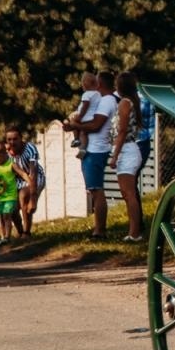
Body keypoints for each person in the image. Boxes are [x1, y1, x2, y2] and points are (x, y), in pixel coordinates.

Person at [66, 70, 117, 239]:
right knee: (93, 189)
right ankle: (98, 227)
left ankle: (100, 230)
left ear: (100, 84)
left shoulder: (106, 101)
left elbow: (95, 125)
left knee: (96, 189)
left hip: (96, 150)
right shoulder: (104, 100)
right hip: (94, 149)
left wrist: (75, 125)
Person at [110, 72, 147, 242]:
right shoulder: (132, 102)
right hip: (128, 149)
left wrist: (114, 155)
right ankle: (134, 229)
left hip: (127, 150)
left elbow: (122, 131)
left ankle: (135, 232)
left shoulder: (125, 103)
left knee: (129, 193)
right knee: (127, 193)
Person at [4, 128, 45, 237]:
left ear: (21, 139)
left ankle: (27, 232)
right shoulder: (6, 153)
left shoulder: (30, 148)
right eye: (9, 140)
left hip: (34, 177)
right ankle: (20, 231)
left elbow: (33, 172)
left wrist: (33, 198)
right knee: (12, 206)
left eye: (15, 139)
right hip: (17, 180)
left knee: (23, 195)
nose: (12, 142)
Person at [68, 71, 97, 155]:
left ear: (84, 85)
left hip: (85, 117)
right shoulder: (97, 94)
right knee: (84, 133)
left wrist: (80, 116)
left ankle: (76, 139)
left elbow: (85, 106)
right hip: (92, 118)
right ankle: (83, 148)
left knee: (73, 122)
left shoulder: (86, 95)